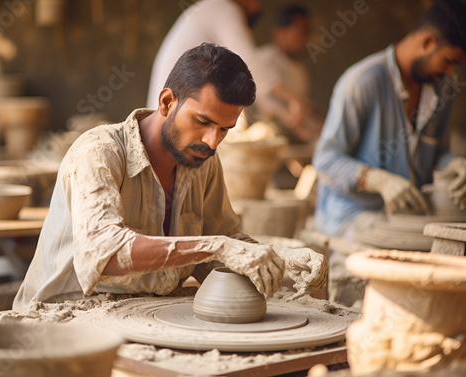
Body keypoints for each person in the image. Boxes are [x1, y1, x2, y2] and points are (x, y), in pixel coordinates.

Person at [13, 43, 324, 309]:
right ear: (166, 102)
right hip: (63, 315)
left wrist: (280, 259)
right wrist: (215, 246)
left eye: (225, 129)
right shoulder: (99, 152)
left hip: (141, 310)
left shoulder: (203, 162)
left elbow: (223, 248)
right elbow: (103, 255)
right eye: (203, 121)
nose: (212, 141)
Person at [313, 0, 466, 240]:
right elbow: (325, 161)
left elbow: (438, 154)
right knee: (406, 251)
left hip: (409, 214)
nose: (450, 72)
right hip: (353, 216)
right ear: (428, 42)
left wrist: (454, 164)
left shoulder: (440, 88)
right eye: (449, 61)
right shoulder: (362, 82)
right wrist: (378, 181)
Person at [146, 0, 307, 137]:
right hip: (176, 119)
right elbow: (251, 64)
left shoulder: (213, 8)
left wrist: (288, 117)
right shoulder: (224, 9)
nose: (259, 7)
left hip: (172, 118)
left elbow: (258, 88)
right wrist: (292, 99)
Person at [251, 5, 323, 144]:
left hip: (293, 140)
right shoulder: (264, 60)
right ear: (279, 33)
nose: (305, 39)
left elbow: (304, 107)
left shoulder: (299, 69)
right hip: (263, 142)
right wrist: (291, 118)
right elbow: (262, 101)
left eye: (307, 33)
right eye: (301, 33)